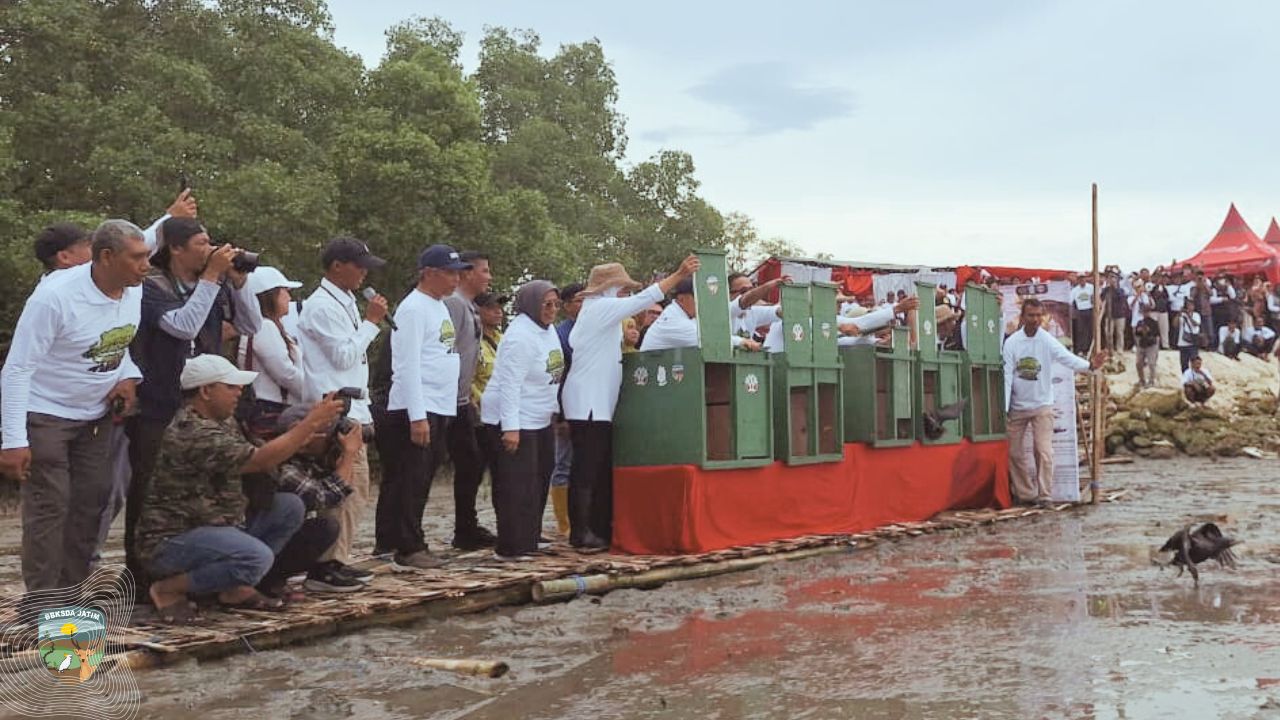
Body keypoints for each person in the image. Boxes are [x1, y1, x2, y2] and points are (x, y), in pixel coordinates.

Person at [1, 221, 151, 592]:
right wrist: (13, 440)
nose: (146, 264)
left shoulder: (133, 290)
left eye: (147, 255)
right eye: (138, 257)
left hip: (95, 417)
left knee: (90, 507)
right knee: (50, 510)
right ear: (106, 257)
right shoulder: (54, 297)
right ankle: (41, 607)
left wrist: (129, 376)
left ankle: (71, 598)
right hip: (47, 413)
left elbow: (115, 343)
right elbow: (18, 367)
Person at [137, 355, 344, 621]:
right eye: (231, 386)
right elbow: (260, 460)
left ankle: (235, 587)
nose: (239, 392)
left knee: (290, 507)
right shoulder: (193, 432)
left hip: (216, 525)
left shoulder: (223, 421)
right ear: (205, 391)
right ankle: (168, 590)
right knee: (256, 558)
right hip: (172, 539)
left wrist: (307, 438)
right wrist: (309, 424)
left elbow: (262, 452)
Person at [125, 217, 262, 583]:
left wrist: (240, 282)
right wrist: (211, 278)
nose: (210, 249)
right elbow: (181, 326)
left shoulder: (214, 285)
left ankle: (196, 574)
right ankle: (139, 578)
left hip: (205, 404)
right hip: (160, 401)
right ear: (176, 248)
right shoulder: (151, 286)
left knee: (209, 486)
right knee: (149, 488)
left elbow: (251, 326)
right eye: (201, 243)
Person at [562, 255, 700, 550]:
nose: (624, 294)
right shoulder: (600, 308)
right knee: (586, 470)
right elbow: (644, 299)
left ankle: (594, 527)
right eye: (621, 289)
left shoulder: (598, 312)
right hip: (589, 402)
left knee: (594, 467)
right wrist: (678, 274)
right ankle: (580, 531)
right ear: (608, 289)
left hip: (596, 400)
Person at [296, 237, 387, 582]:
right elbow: (343, 356)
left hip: (353, 406)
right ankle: (325, 564)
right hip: (335, 407)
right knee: (344, 485)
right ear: (337, 266)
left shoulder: (344, 300)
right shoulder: (322, 306)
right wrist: (371, 322)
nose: (364, 272)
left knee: (357, 488)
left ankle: (336, 558)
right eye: (358, 265)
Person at [375, 245, 471, 570]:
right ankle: (408, 545)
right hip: (417, 405)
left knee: (420, 476)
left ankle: (389, 540)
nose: (455, 279)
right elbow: (407, 365)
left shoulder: (439, 307)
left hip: (439, 403)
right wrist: (417, 416)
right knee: (410, 478)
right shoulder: (414, 308)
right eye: (449, 272)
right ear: (428, 273)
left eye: (458, 272)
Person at [480, 281, 565, 560]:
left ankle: (529, 536)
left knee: (539, 478)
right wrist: (511, 428)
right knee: (515, 484)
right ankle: (511, 546)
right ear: (530, 305)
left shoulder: (547, 330)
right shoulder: (520, 336)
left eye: (555, 304)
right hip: (513, 418)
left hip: (539, 417)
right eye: (546, 304)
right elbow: (510, 385)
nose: (552, 310)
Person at [1002, 299, 1106, 507]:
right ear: (1022, 317)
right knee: (1013, 453)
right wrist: (1005, 408)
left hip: (1042, 404)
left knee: (1044, 451)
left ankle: (1045, 495)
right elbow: (1007, 376)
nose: (1035, 320)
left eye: (1038, 315)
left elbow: (1066, 358)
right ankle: (1026, 493)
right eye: (1030, 315)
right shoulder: (1012, 343)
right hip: (1017, 406)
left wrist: (1089, 366)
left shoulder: (1047, 340)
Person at [272, 404, 368, 593]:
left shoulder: (307, 459)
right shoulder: (283, 466)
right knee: (324, 527)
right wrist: (348, 455)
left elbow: (341, 490)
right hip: (262, 549)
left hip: (271, 543)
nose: (333, 439)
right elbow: (326, 497)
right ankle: (276, 578)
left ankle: (332, 564)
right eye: (328, 433)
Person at [442, 251, 498, 550]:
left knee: (473, 463)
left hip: (463, 399)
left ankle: (467, 526)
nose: (489, 277)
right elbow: (444, 350)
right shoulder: (453, 303)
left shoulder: (471, 307)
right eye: (485, 271)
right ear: (466, 273)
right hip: (446, 399)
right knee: (458, 463)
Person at [238, 266, 306, 438]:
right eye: (285, 291)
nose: (289, 297)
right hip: (271, 409)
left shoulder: (263, 326)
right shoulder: (265, 326)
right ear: (270, 294)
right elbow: (285, 373)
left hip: (271, 407)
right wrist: (315, 395)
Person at [548, 283, 584, 537]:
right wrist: (559, 413)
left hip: (589, 406)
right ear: (568, 305)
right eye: (579, 300)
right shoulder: (561, 334)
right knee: (563, 464)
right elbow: (558, 375)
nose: (584, 306)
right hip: (566, 406)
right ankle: (564, 523)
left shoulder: (594, 328)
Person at [640, 278, 699, 351]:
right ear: (681, 299)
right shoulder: (674, 321)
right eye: (696, 296)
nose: (700, 300)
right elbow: (711, 343)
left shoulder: (680, 314)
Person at [1133, 306, 1161, 388]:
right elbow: (1136, 334)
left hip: (1151, 345)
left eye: (1147, 311)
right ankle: (1142, 380)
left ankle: (1151, 381)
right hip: (1142, 344)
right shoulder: (1140, 322)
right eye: (1144, 312)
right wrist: (1139, 331)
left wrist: (1149, 331)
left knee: (1151, 364)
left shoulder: (1154, 322)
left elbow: (1156, 334)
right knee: (1138, 363)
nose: (1146, 313)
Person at [1101, 275, 1128, 351]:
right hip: (1109, 315)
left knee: (1119, 333)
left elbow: (1121, 297)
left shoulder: (1121, 290)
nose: (1112, 280)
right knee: (1108, 333)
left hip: (1120, 315)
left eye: (1114, 278)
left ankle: (1120, 349)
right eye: (1111, 278)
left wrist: (1115, 287)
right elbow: (1101, 298)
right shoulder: (1106, 290)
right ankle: (1110, 348)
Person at [1069, 274, 1095, 355]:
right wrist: (1072, 313)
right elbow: (1070, 302)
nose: (1082, 281)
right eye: (1080, 279)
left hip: (1090, 310)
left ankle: (1090, 348)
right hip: (1080, 311)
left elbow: (1095, 298)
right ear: (1078, 280)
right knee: (1081, 331)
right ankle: (1081, 349)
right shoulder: (1075, 290)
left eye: (1083, 279)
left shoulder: (1091, 287)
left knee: (1091, 330)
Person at [1175, 304, 1202, 372]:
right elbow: (1175, 324)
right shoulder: (1182, 315)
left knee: (1195, 362)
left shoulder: (1196, 315)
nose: (1190, 307)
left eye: (1191, 305)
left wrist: (1189, 316)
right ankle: (1186, 379)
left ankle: (1194, 377)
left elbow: (1196, 324)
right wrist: (1179, 314)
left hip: (1193, 342)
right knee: (1184, 364)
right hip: (1182, 343)